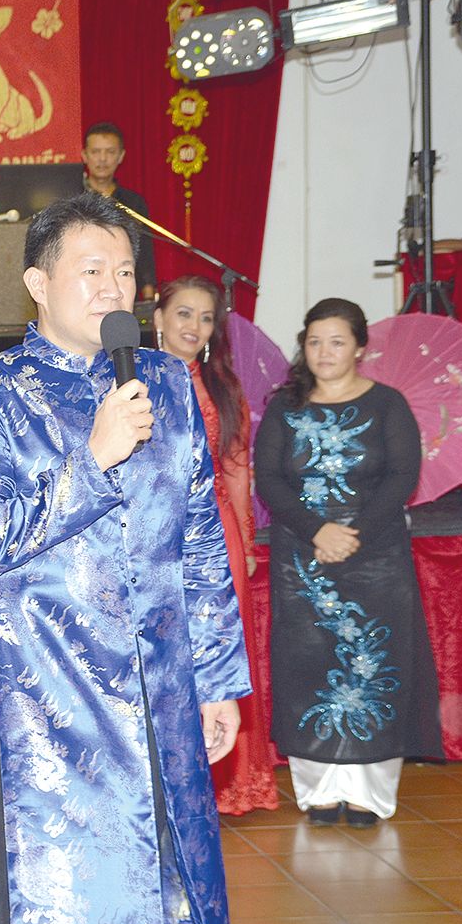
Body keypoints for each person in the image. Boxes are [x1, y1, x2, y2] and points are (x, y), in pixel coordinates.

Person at [0, 193, 249, 924]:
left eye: (122, 270)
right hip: (43, 691)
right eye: (90, 270)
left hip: (156, 679)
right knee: (62, 906)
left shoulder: (168, 382)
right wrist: (92, 460)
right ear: (37, 284)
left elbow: (199, 539)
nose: (113, 287)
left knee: (147, 885)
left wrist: (216, 680)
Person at [255, 297, 442, 826]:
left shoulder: (389, 404)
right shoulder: (283, 407)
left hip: (376, 555)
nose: (324, 352)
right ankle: (317, 791)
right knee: (309, 666)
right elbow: (269, 479)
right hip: (303, 558)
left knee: (377, 664)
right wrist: (318, 530)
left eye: (336, 341)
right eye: (314, 341)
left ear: (360, 347)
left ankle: (369, 795)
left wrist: (352, 534)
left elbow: (402, 478)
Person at [154, 276, 278, 816]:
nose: (194, 327)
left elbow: (235, 469)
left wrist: (245, 543)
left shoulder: (222, 385)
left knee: (220, 654)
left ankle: (228, 784)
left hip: (217, 535)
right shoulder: (130, 379)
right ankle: (164, 783)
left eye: (205, 318)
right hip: (154, 534)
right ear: (157, 318)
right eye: (183, 313)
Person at [82, 121, 156, 298]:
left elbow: (145, 252)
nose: (102, 159)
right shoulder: (72, 199)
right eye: (95, 152)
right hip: (83, 287)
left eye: (110, 152)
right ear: (84, 155)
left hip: (123, 289)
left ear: (121, 156)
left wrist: (148, 295)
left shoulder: (133, 203)